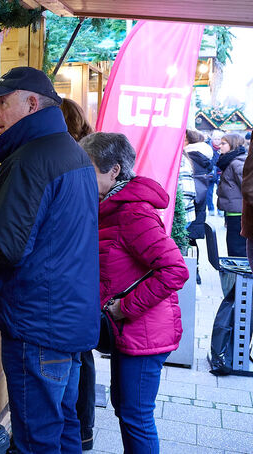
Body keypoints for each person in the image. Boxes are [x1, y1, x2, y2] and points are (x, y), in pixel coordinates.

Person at [0, 67, 99, 453]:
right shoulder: (71, 151)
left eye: (2, 102)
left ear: (32, 103)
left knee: (36, 440)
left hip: (38, 328)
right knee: (65, 427)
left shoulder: (32, 160)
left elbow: (5, 248)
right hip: (67, 321)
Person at [79, 132, 188, 454]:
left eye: (89, 170)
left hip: (145, 332)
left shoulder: (132, 213)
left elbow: (175, 270)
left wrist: (124, 307)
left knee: (135, 415)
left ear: (114, 170)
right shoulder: (111, 207)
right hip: (132, 332)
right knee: (127, 410)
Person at [60, 98, 97, 451]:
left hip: (73, 289)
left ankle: (82, 431)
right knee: (79, 360)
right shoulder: (82, 156)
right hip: (82, 286)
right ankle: (81, 433)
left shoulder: (72, 159)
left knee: (78, 362)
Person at [217, 133, 247, 257]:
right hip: (234, 211)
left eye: (223, 143)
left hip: (239, 213)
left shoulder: (237, 163)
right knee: (234, 248)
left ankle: (239, 276)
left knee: (237, 250)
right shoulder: (231, 161)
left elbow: (248, 187)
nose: (220, 146)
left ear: (233, 144)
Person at [207, 130, 224, 215]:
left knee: (220, 192)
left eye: (219, 139)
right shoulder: (208, 147)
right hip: (210, 172)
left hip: (220, 173)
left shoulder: (223, 147)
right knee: (209, 192)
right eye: (215, 139)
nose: (217, 141)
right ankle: (211, 209)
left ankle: (220, 209)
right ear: (212, 139)